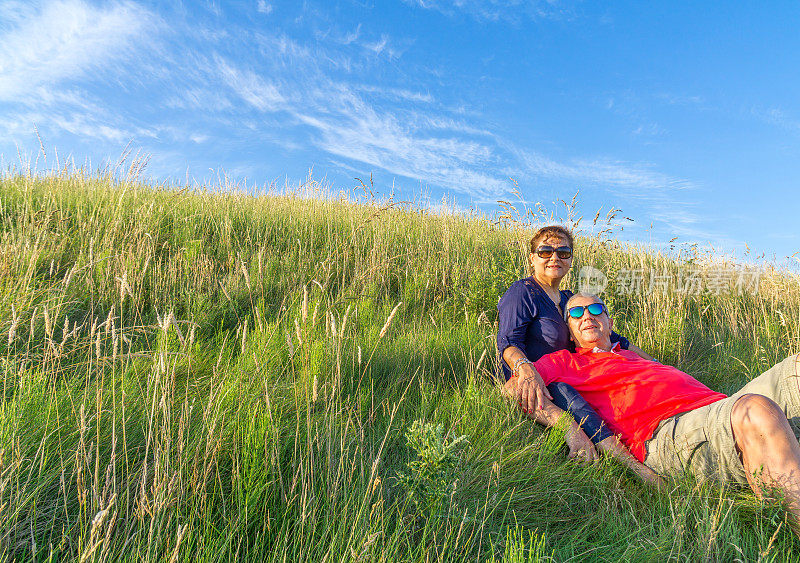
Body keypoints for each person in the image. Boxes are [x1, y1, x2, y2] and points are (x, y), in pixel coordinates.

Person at [531, 292, 800, 533]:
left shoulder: (633, 355)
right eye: (576, 313)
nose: (587, 315)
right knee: (755, 410)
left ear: (610, 322)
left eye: (596, 309)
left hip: (718, 407)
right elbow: (514, 389)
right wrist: (568, 427)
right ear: (569, 330)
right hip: (668, 434)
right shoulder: (564, 362)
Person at [497, 225, 654, 463]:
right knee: (569, 398)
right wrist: (526, 370)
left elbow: (616, 339)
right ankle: (634, 468)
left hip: (575, 373)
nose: (554, 258)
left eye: (563, 252)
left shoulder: (570, 299)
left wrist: (654, 364)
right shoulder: (523, 292)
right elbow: (508, 341)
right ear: (532, 258)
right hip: (540, 380)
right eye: (545, 251)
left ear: (570, 260)